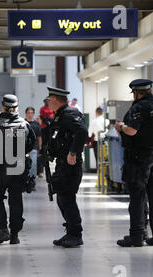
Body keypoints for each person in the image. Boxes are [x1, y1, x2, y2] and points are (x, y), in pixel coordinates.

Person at [115, 79, 153, 247]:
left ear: (137, 92)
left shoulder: (138, 108)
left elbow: (131, 130)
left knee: (138, 196)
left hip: (139, 159)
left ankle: (137, 236)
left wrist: (120, 127)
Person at [0, 94, 36, 245]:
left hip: (0, 168)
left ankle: (2, 231)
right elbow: (30, 145)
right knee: (16, 200)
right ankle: (14, 234)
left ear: (3, 107)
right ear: (16, 108)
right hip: (18, 168)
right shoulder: (25, 124)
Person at [46, 87, 88, 248]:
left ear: (56, 99)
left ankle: (76, 234)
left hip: (70, 164)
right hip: (62, 163)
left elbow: (82, 132)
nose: (48, 102)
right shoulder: (61, 115)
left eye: (50, 99)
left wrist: (73, 153)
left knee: (67, 198)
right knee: (62, 197)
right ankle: (70, 231)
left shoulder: (70, 114)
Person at [37, 98, 54, 178]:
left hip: (51, 128)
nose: (47, 102)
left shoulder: (52, 108)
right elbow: (41, 116)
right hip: (44, 127)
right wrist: (45, 121)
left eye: (48, 101)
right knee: (43, 148)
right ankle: (41, 170)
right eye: (46, 101)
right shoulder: (42, 109)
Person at [25, 107, 42, 181]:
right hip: (24, 148)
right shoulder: (23, 123)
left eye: (31, 113)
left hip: (33, 148)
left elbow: (39, 136)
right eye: (28, 113)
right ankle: (24, 181)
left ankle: (32, 182)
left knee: (33, 165)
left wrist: (40, 147)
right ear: (26, 114)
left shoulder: (36, 123)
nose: (30, 114)